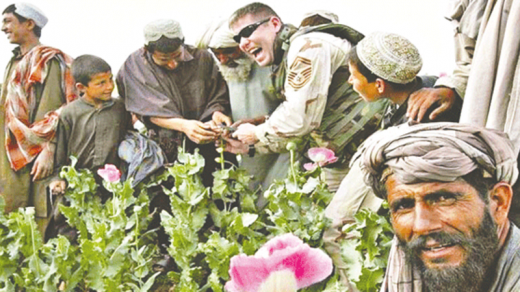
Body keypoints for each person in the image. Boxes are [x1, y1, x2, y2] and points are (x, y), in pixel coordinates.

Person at [323, 32, 461, 285]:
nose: (351, 82)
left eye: (354, 76)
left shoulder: (416, 120)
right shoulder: (426, 87)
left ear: (379, 85)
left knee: (337, 230)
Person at [228, 2, 386, 191]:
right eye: (237, 38)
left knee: (338, 218)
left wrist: (256, 133)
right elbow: (305, 121)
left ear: (275, 24)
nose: (242, 43)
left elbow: (299, 119)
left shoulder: (308, 46)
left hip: (376, 147)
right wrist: (252, 141)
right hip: (348, 154)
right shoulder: (287, 55)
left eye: (247, 31)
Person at [358, 122, 520, 292]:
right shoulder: (407, 272)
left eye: (443, 199)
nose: (421, 226)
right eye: (404, 205)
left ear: (498, 202)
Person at [116, 19, 231, 185]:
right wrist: (184, 126)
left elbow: (217, 94)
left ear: (183, 44)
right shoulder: (135, 66)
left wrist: (216, 113)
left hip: (208, 142)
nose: (172, 64)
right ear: (147, 50)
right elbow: (147, 110)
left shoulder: (202, 58)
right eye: (163, 60)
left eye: (177, 56)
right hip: (165, 148)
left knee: (217, 193)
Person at [0, 3, 76, 233]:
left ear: (29, 24)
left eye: (8, 22)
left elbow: (56, 111)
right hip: (13, 154)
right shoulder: (14, 62)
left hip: (39, 157)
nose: (3, 28)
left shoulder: (47, 61)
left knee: (38, 223)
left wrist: (48, 150)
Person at [196, 19, 290, 201]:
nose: (223, 59)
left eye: (229, 51)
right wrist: (218, 114)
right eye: (217, 54)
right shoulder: (222, 68)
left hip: (279, 145)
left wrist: (258, 122)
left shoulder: (272, 63)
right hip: (243, 149)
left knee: (275, 198)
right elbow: (218, 99)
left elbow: (293, 110)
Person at [49, 55, 131, 195]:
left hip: (112, 184)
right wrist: (58, 178)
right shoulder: (70, 113)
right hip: (79, 185)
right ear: (81, 87)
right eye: (101, 83)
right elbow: (60, 151)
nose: (109, 86)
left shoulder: (120, 108)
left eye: (110, 79)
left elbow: (129, 138)